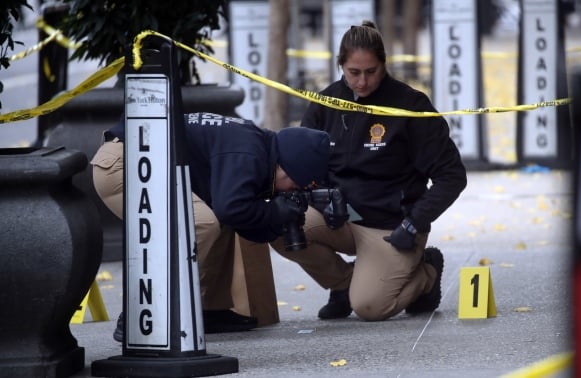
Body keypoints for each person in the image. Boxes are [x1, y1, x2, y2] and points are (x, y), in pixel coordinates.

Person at [270, 21, 467, 321]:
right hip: (337, 217)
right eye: (354, 73)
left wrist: (414, 223)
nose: (362, 82)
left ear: (383, 64)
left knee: (370, 308)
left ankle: (426, 273)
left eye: (371, 72)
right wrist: (318, 196)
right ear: (341, 66)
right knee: (277, 224)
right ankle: (343, 284)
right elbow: (299, 166)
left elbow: (452, 177)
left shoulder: (411, 106)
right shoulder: (324, 104)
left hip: (392, 227)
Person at [91, 112, 330, 340]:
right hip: (124, 165)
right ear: (285, 166)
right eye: (295, 186)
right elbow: (232, 208)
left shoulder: (258, 148)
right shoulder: (249, 152)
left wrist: (277, 221)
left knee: (218, 220)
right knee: (201, 223)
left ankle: (207, 310)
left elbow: (238, 219)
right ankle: (143, 311)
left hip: (141, 160)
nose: (290, 192)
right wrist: (274, 211)